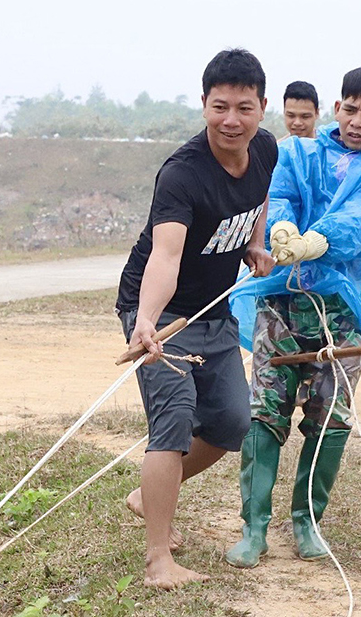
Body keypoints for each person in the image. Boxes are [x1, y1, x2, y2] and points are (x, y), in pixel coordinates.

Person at [226, 65, 361, 567]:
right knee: (264, 409)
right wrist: (283, 229)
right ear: (336, 108)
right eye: (350, 109)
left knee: (330, 417)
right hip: (283, 300)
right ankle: (254, 526)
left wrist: (318, 240)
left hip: (345, 309)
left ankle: (307, 521)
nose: (356, 121)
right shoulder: (298, 152)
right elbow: (278, 193)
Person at [115, 48, 278, 590]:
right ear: (203, 104)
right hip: (161, 313)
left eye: (244, 108)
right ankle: (158, 559)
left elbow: (258, 200)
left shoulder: (265, 151)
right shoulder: (183, 174)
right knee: (174, 423)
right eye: (219, 107)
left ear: (261, 109)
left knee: (232, 421)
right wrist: (146, 320)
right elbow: (165, 256)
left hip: (216, 309)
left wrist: (254, 243)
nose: (231, 120)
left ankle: (148, 494)